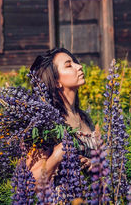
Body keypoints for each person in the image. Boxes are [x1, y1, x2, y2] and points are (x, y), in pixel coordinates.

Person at [26, 48, 100, 185]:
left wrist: (93, 165)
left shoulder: (84, 117)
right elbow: (32, 182)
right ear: (55, 81)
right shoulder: (46, 124)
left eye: (75, 62)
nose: (79, 67)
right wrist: (57, 155)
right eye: (69, 65)